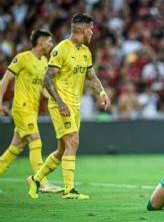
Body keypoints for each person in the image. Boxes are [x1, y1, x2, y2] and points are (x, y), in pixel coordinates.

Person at [27, 13, 111, 200]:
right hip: (61, 105)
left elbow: (92, 77)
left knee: (62, 149)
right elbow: (47, 78)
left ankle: (35, 179)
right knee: (73, 142)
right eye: (90, 29)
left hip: (75, 105)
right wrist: (60, 102)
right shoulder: (61, 49)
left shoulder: (86, 52)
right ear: (82, 30)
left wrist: (102, 94)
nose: (92, 32)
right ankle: (69, 190)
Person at [0, 29, 63, 193]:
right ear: (41, 42)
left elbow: (43, 88)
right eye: (49, 41)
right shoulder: (22, 58)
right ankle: (42, 182)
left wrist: (57, 102)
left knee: (15, 148)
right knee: (36, 141)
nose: (51, 44)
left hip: (32, 110)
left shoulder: (44, 62)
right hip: (21, 107)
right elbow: (5, 79)